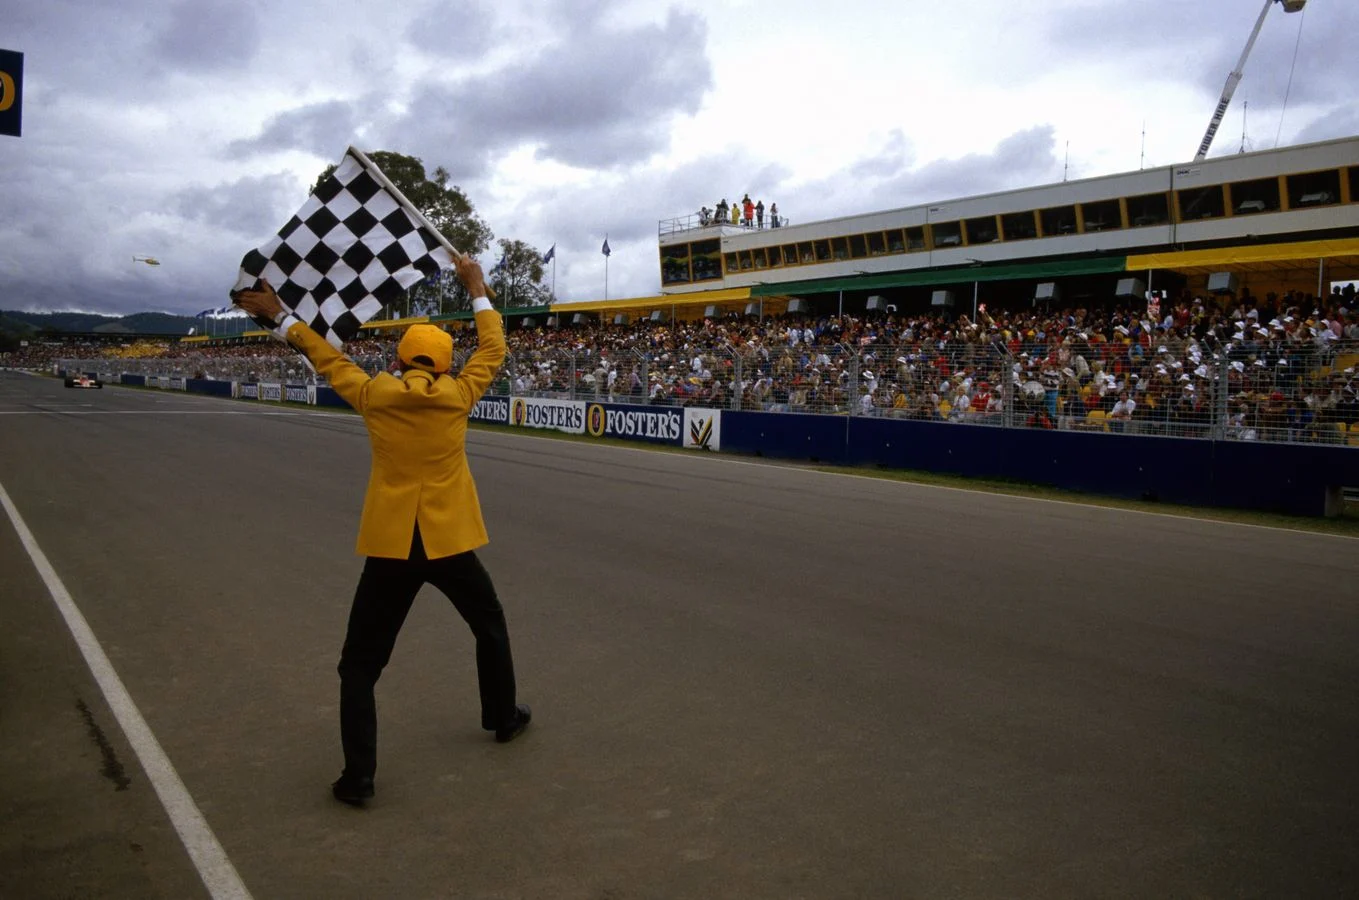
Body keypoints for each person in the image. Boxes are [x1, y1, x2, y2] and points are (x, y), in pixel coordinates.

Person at [231, 255, 530, 807]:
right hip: (450, 544)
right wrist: (477, 289)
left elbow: (324, 355)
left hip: (392, 547)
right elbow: (494, 349)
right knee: (489, 626)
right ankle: (503, 717)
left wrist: (279, 315)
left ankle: (358, 776)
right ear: (443, 366)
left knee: (360, 665)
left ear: (399, 358)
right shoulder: (459, 396)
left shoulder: (374, 394)